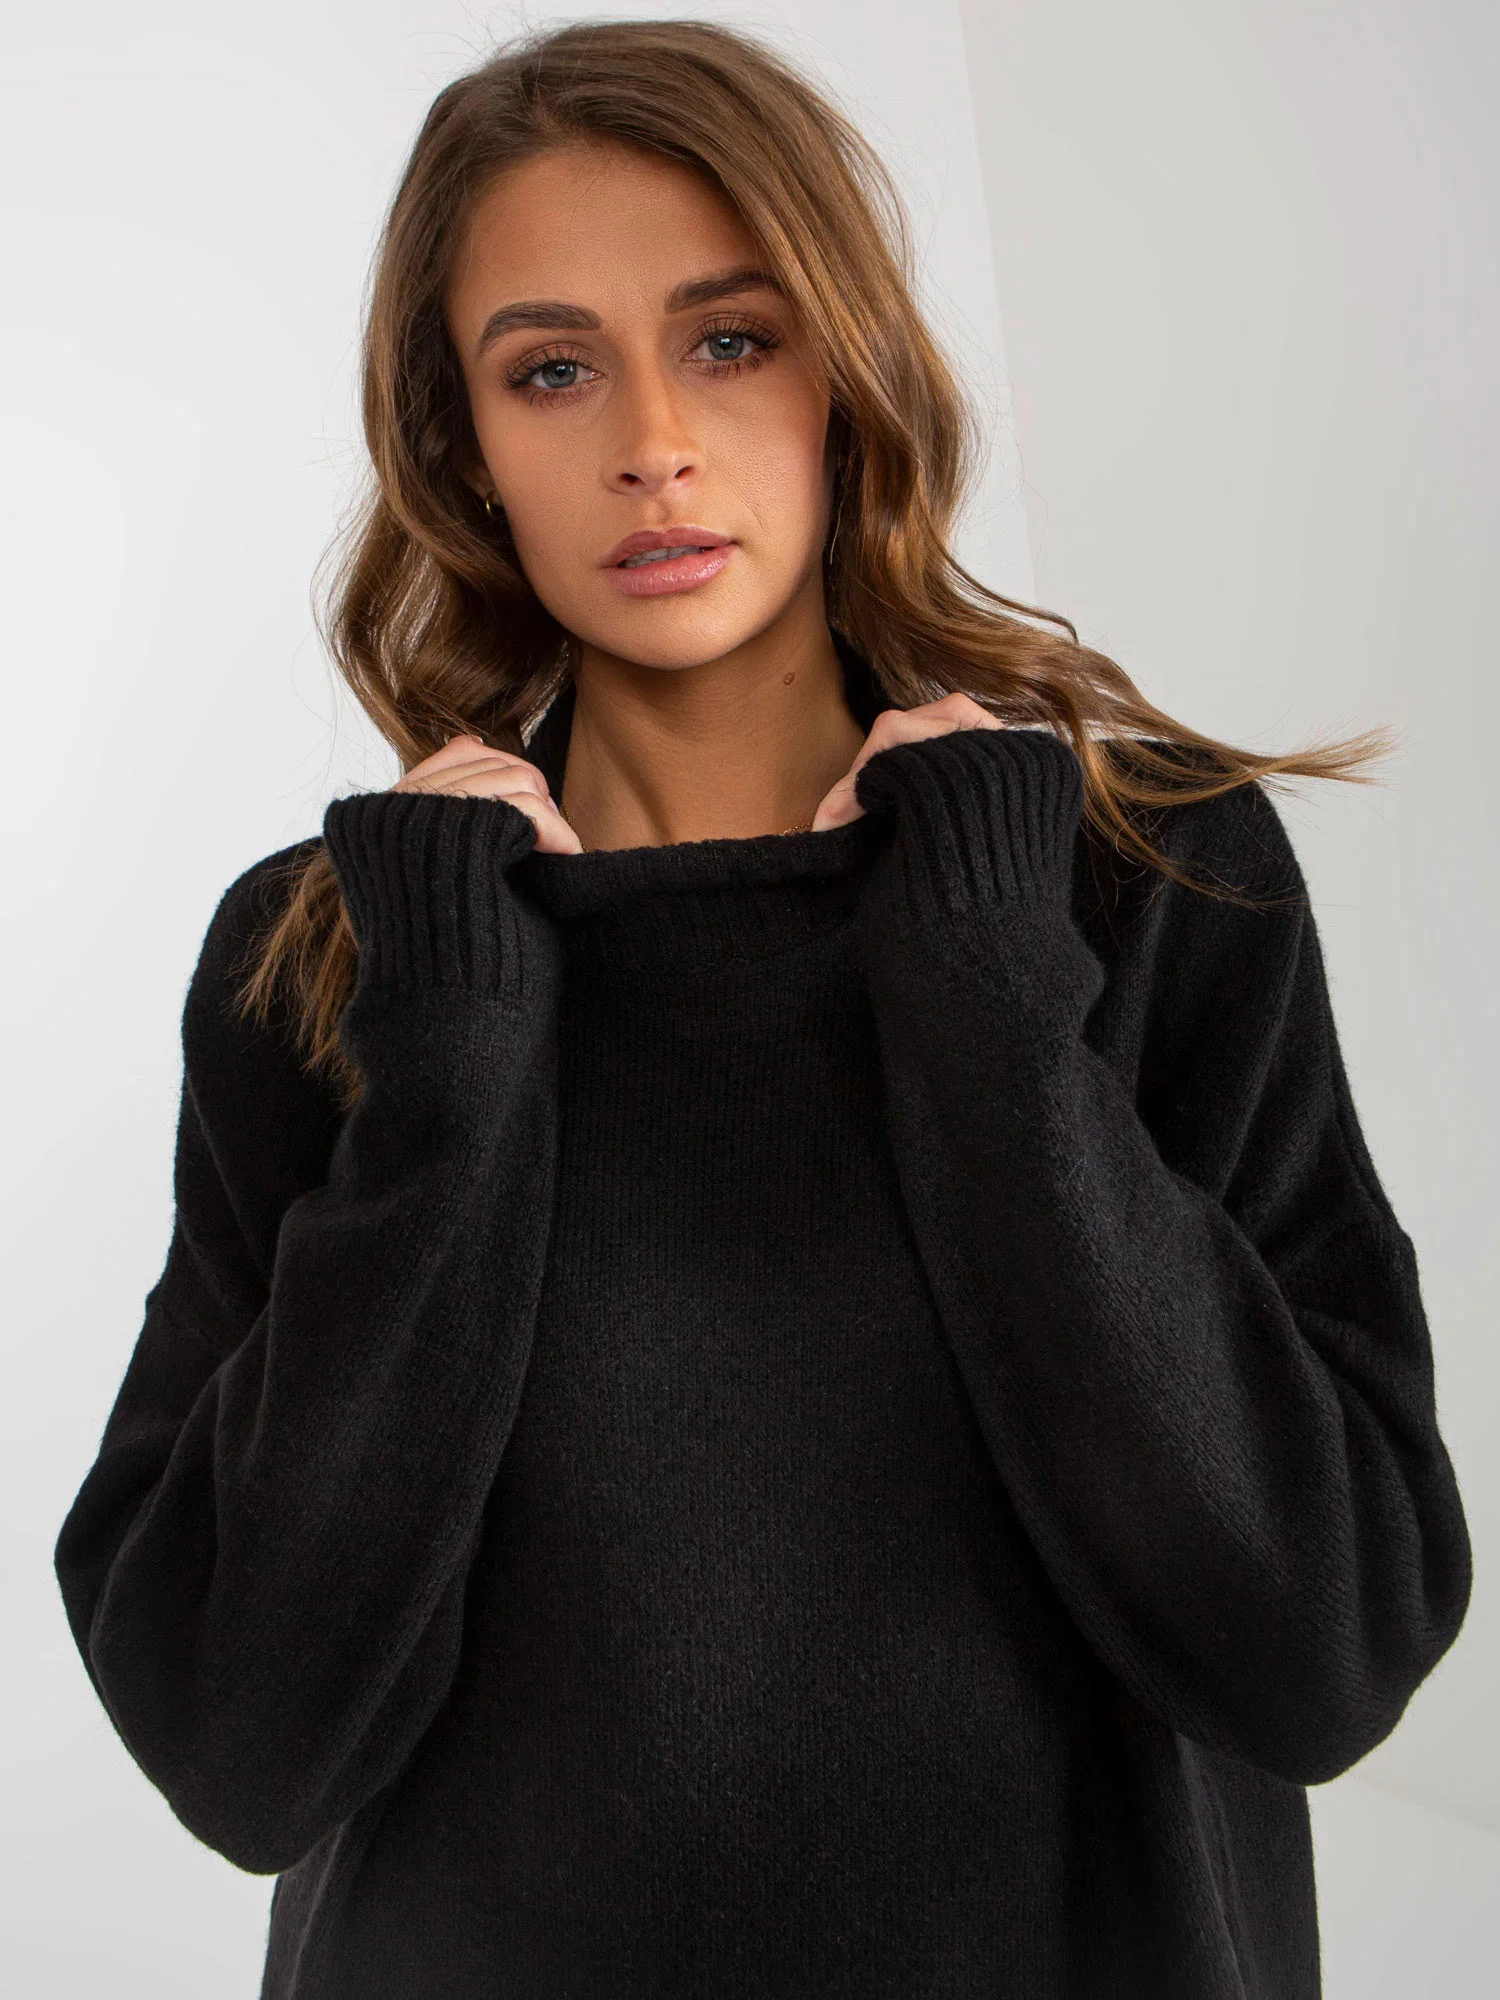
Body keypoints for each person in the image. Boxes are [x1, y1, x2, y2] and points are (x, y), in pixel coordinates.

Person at [54, 19, 1470, 1999]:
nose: (653, 438)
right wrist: (452, 1064)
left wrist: (992, 1002)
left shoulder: (1142, 880)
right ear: (463, 447)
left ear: (848, 374)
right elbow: (241, 1741)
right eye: (552, 368)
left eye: (731, 338)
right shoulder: (333, 958)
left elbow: (1321, 1650)